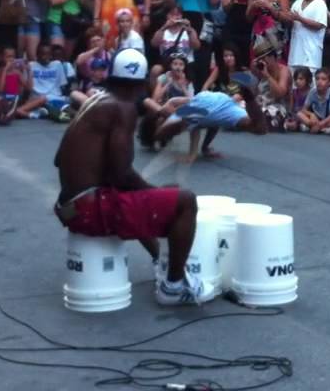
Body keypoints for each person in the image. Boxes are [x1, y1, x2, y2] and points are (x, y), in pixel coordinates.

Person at [54, 49, 218, 305]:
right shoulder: (123, 108)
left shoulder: (96, 101)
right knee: (184, 201)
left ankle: (159, 260)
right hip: (88, 210)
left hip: (70, 207)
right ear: (142, 84)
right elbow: (122, 174)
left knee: (151, 193)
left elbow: (59, 159)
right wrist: (151, 190)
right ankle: (173, 287)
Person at [284, 0, 328, 74]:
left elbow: (319, 25)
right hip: (295, 52)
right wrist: (288, 19)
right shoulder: (297, 2)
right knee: (294, 84)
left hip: (311, 53)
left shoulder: (320, 3)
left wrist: (299, 18)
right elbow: (291, 23)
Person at [296, 68, 330, 134]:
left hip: (326, 119)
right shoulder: (312, 91)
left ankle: (316, 127)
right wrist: (311, 115)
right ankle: (320, 128)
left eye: (323, 79)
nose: (319, 82)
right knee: (299, 114)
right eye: (317, 79)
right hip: (314, 119)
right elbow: (304, 109)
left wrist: (321, 124)